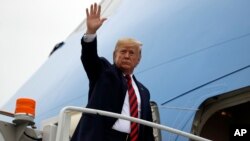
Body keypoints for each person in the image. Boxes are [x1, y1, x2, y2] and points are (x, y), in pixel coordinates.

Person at [71, 3, 154, 141]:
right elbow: (89, 58)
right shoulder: (104, 71)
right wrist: (90, 33)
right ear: (115, 55)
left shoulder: (144, 91)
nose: (127, 56)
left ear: (138, 60)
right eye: (123, 51)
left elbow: (147, 130)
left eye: (131, 53)